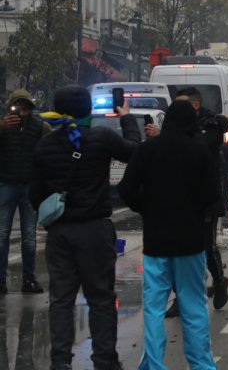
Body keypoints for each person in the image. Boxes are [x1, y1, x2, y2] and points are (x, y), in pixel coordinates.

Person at [30, 85, 140, 370]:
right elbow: (135, 152)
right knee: (101, 298)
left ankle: (60, 362)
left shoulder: (44, 146)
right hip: (95, 229)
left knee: (61, 300)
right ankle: (104, 360)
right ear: (88, 109)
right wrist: (126, 117)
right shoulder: (102, 138)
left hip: (60, 232)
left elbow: (35, 195)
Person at [118, 101, 219, 369]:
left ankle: (153, 364)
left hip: (156, 243)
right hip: (190, 242)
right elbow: (212, 195)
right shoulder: (199, 151)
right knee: (193, 305)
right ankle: (201, 365)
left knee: (153, 307)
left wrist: (147, 208)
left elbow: (126, 189)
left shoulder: (147, 149)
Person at [147, 87, 228, 314]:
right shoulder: (173, 127)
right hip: (179, 197)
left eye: (181, 104)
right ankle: (180, 298)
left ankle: (219, 279)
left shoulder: (210, 126)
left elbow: (200, 146)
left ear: (195, 105)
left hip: (205, 198)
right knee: (178, 248)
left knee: (206, 246)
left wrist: (165, 137)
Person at [0, 90, 52, 294]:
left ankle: (29, 279)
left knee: (29, 236)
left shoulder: (41, 127)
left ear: (30, 108)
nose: (20, 111)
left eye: (24, 106)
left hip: (30, 187)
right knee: (2, 234)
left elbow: (51, 150)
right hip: (6, 184)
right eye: (16, 106)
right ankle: (1, 281)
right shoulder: (4, 126)